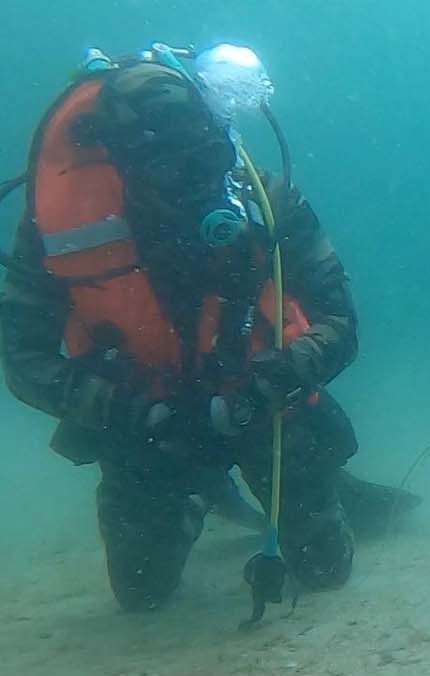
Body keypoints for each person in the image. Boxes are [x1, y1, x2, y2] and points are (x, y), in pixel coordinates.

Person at [0, 47, 405, 612]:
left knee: (325, 572)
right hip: (142, 424)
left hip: (265, 412)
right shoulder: (56, 223)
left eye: (202, 151)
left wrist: (286, 370)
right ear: (120, 163)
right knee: (142, 595)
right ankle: (196, 498)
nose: (191, 177)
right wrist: (123, 410)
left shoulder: (262, 199)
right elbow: (22, 359)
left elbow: (342, 321)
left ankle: (314, 490)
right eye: (166, 161)